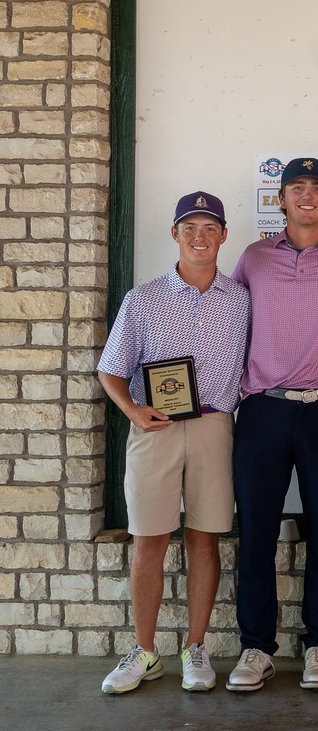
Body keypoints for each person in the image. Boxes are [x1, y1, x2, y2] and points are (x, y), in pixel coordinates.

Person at [226, 157, 318, 692]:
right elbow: (230, 321)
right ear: (281, 199)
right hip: (264, 409)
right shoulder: (254, 257)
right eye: (296, 188)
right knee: (257, 532)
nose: (307, 196)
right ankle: (256, 646)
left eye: (317, 188)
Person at [97, 192, 250, 694]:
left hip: (213, 427)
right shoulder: (143, 299)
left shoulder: (241, 299)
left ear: (224, 235)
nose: (200, 237)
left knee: (204, 536)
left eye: (210, 228)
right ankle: (144, 650)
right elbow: (110, 369)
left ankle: (196, 646)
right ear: (175, 235)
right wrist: (133, 411)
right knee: (149, 538)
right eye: (190, 228)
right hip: (154, 428)